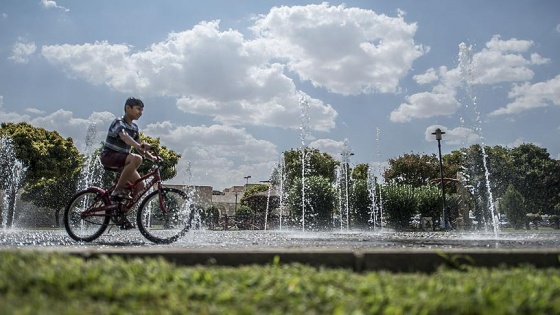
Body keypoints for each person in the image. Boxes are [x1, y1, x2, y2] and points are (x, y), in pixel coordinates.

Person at [100, 97, 156, 202]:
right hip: (109, 156)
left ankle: (123, 210)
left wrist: (152, 157)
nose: (141, 112)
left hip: (122, 160)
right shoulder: (119, 122)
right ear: (128, 108)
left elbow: (140, 147)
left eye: (142, 110)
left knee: (140, 185)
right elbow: (125, 137)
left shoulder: (134, 127)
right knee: (137, 159)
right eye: (138, 109)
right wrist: (139, 146)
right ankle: (118, 190)